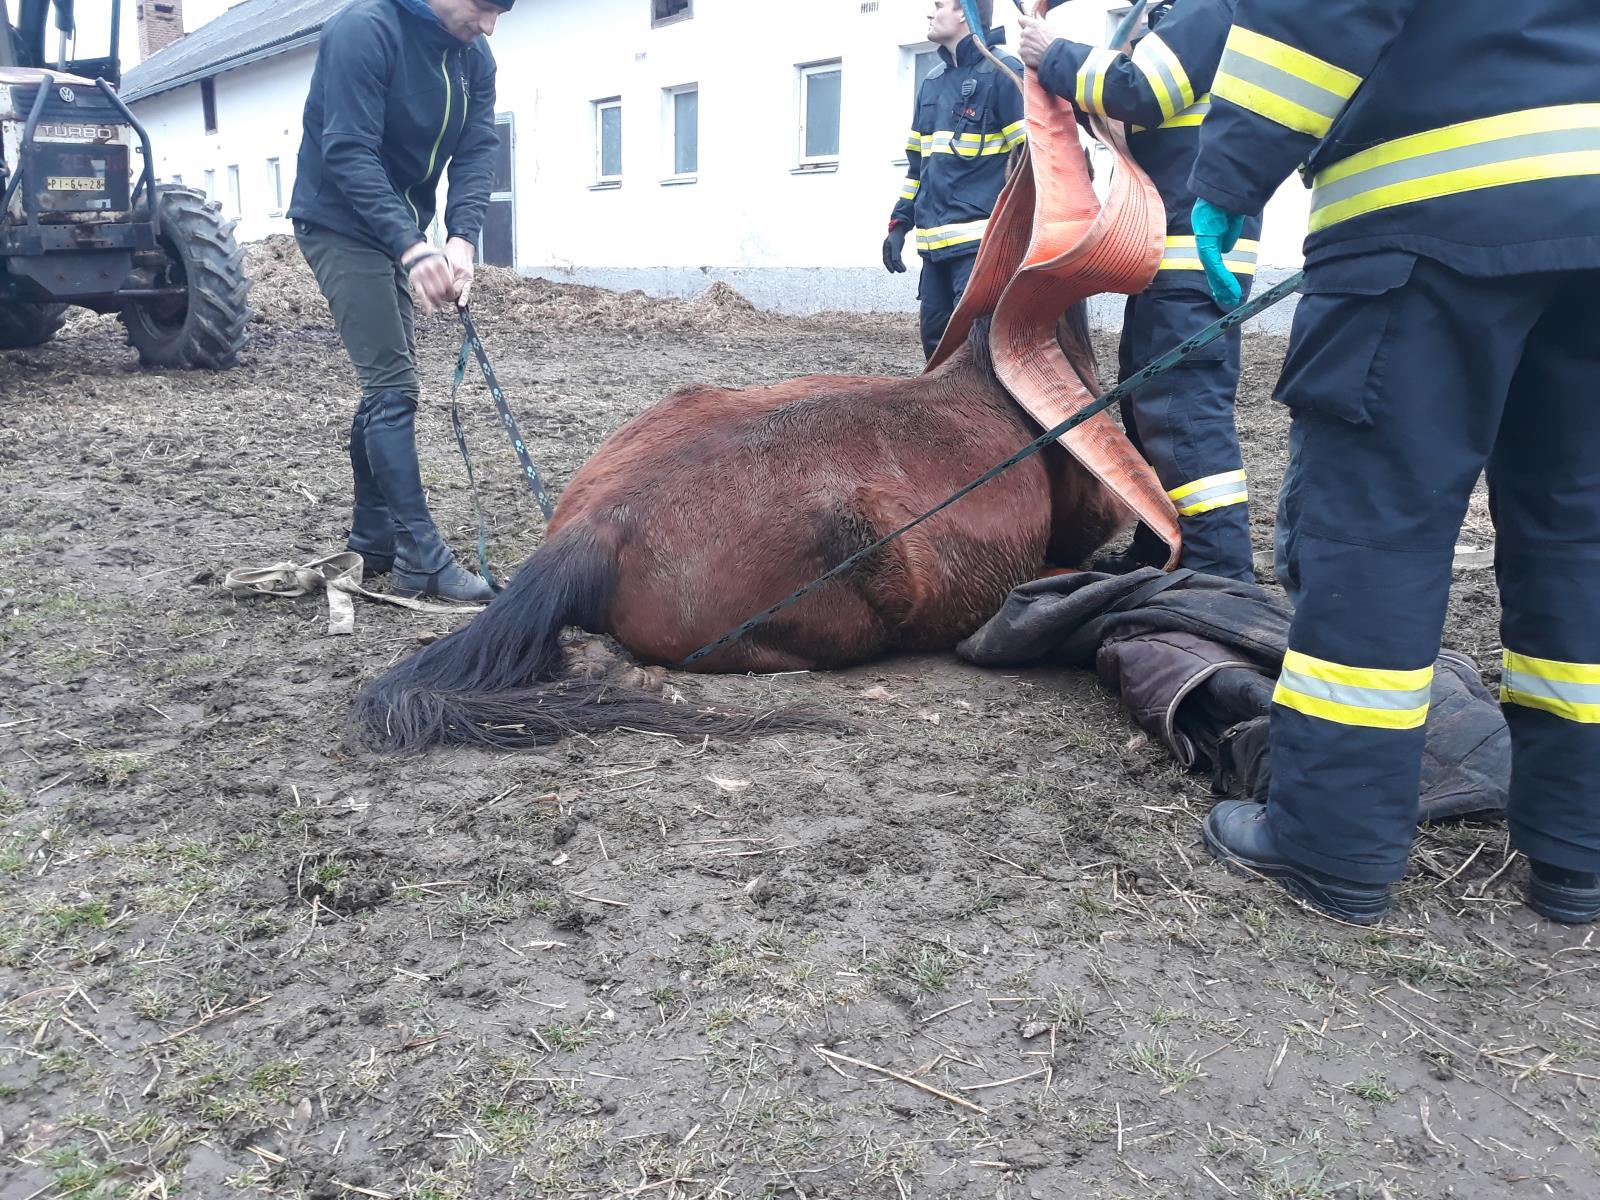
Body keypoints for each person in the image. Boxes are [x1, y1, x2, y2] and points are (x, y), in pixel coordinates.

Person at [1184, 0, 1600, 924]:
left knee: (1377, 534)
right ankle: (1580, 851)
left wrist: (1232, 172)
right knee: (1581, 536)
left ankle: (1331, 843)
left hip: (1427, 220)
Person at [1019, 0, 1260, 583]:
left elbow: (1144, 91)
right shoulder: (1187, 16)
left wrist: (1053, 55)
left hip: (1191, 263)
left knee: (1184, 421)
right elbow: (1134, 111)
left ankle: (1220, 572)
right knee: (1152, 415)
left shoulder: (1206, 9)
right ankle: (1162, 548)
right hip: (1169, 264)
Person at [289, 0, 512, 603]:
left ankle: (373, 537)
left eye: (501, 13)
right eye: (482, 7)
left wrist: (462, 236)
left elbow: (475, 149)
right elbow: (348, 150)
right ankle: (421, 556)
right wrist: (412, 249)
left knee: (386, 387)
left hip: (398, 227)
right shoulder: (363, 30)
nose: (488, 27)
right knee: (393, 388)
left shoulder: (472, 56)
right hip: (338, 219)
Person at [885, 0, 1027, 361]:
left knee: (977, 361)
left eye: (938, 5)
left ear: (965, 11)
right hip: (934, 254)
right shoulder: (931, 84)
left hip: (981, 254)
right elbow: (918, 167)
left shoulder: (1005, 74)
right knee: (937, 354)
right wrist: (900, 224)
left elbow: (1032, 165)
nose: (930, 13)